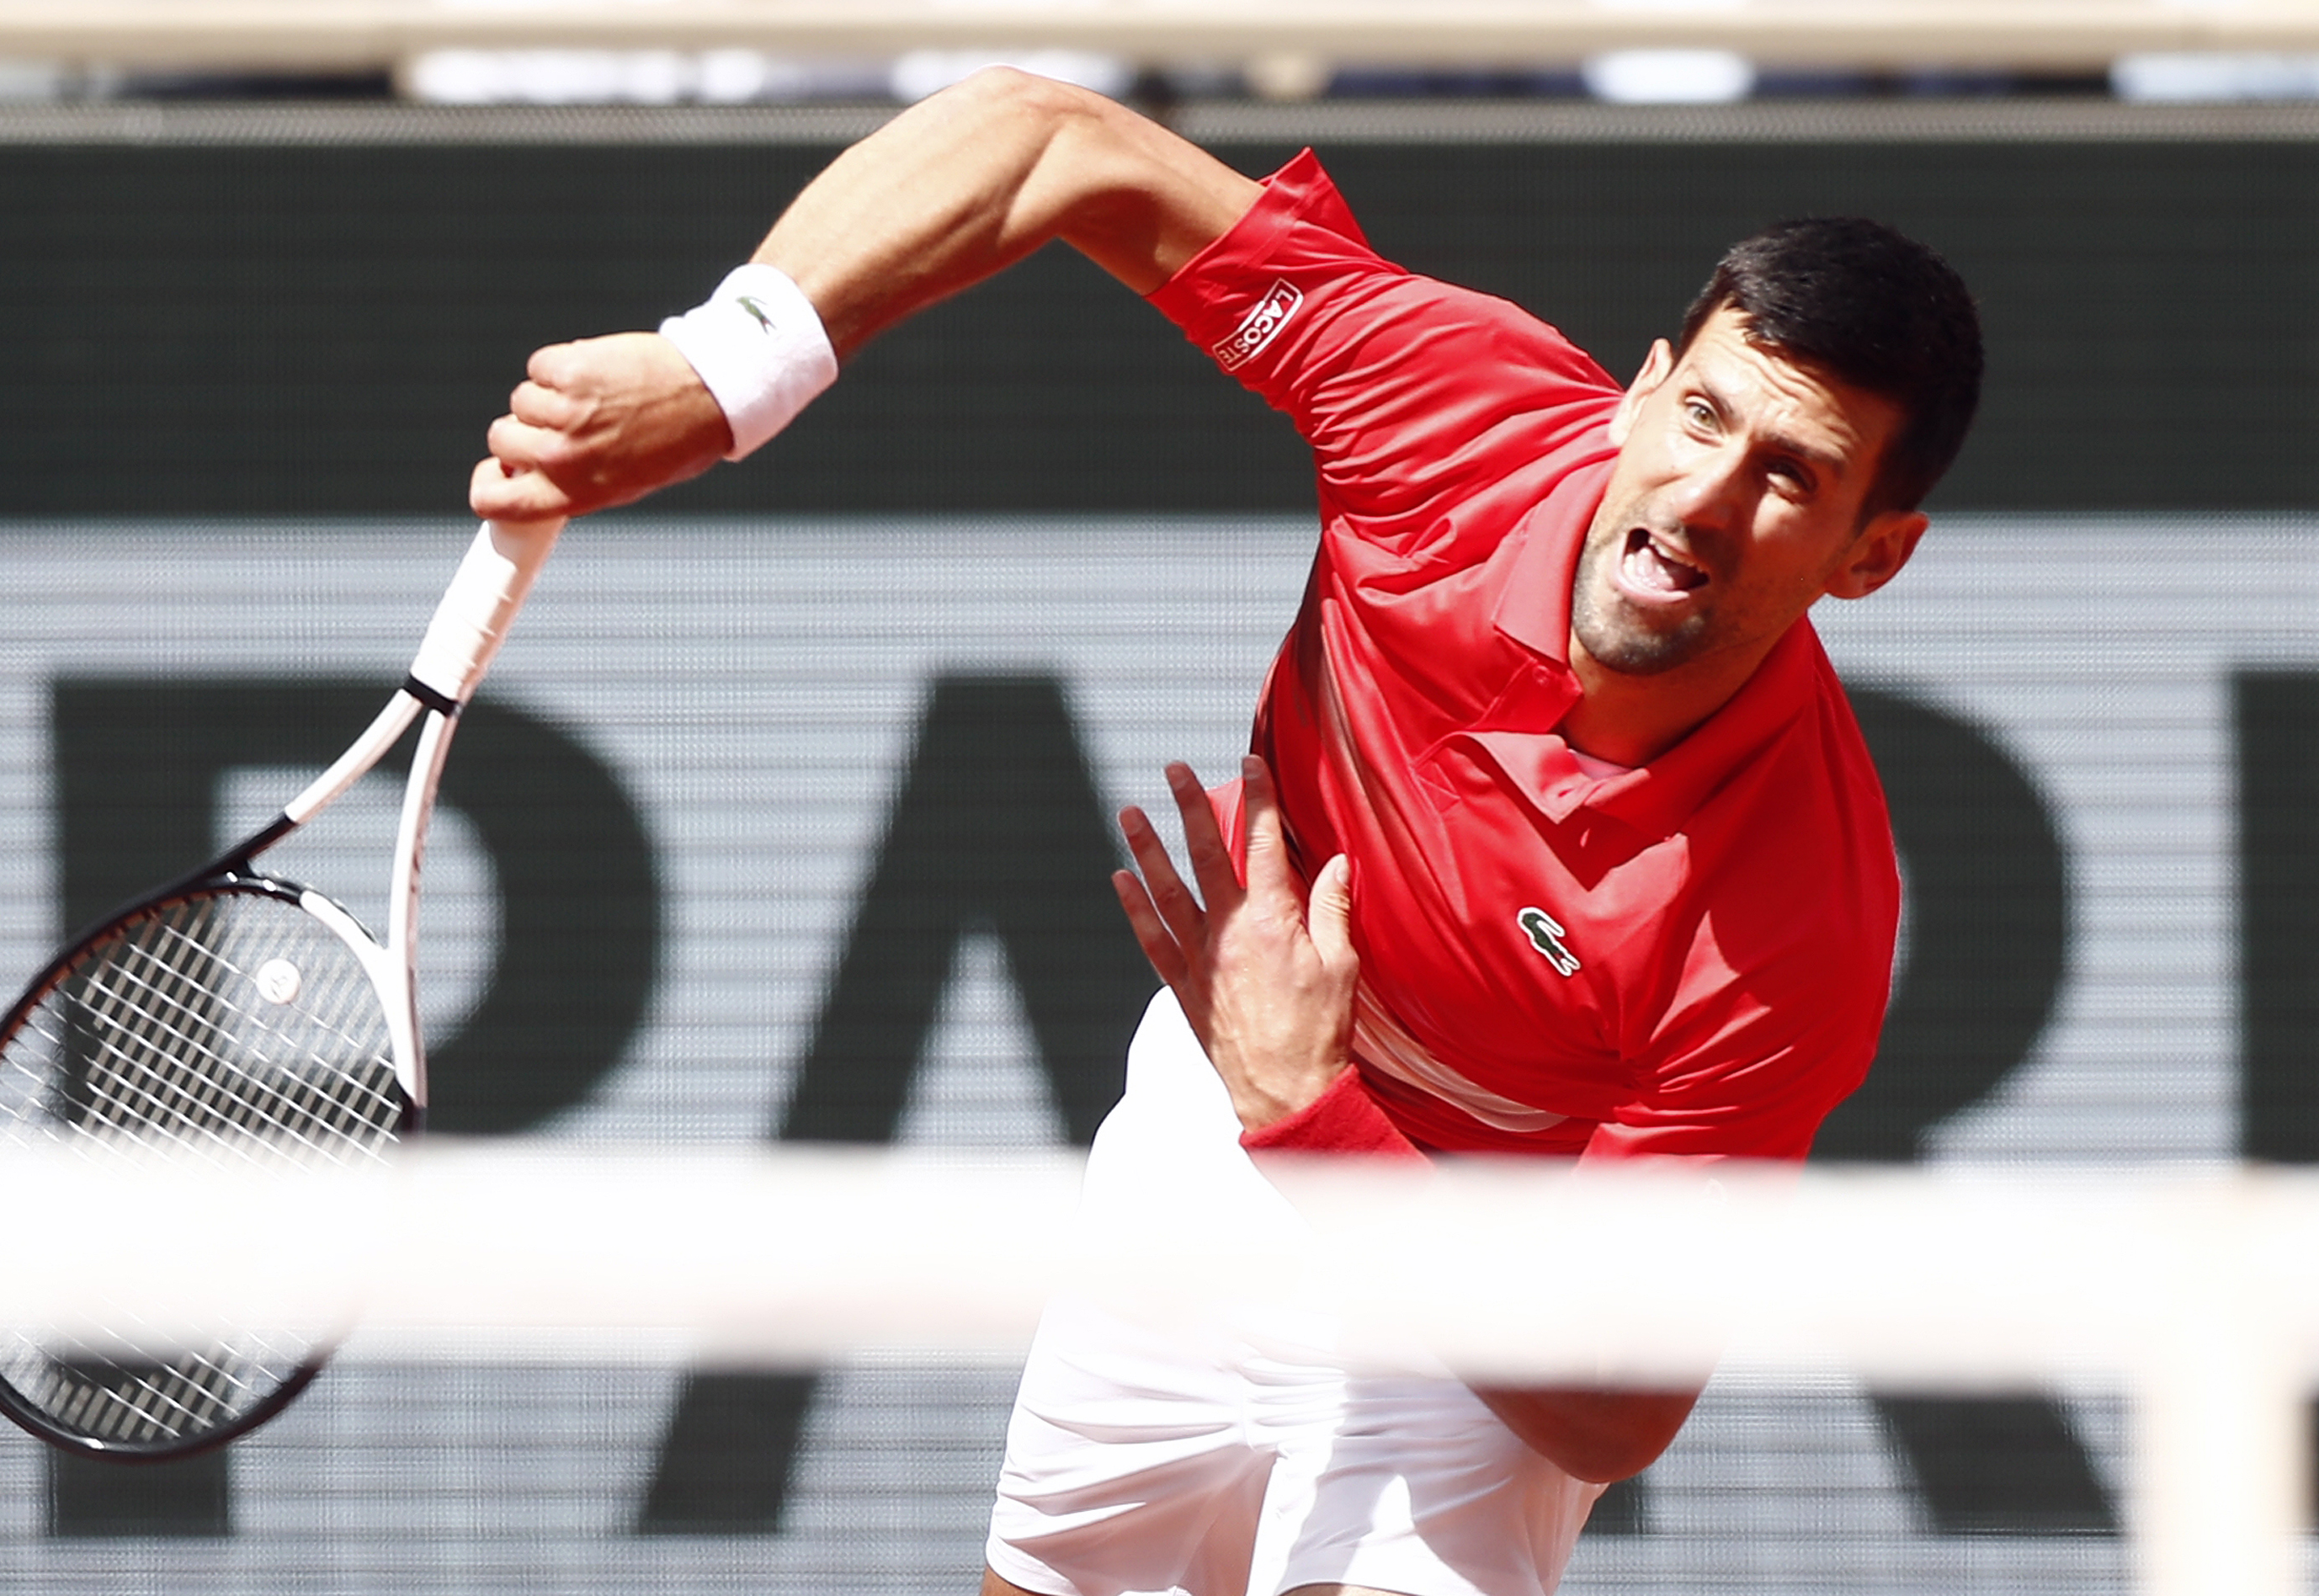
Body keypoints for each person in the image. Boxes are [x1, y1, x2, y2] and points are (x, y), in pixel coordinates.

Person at [471, 66, 1981, 1596]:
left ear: (1875, 557)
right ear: (1643, 387)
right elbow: (1049, 140)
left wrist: (1312, 1110)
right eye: (1705, 414)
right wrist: (726, 374)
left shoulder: (1799, 921)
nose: (1703, 498)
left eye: (1790, 474)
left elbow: (1612, 1404)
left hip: (1479, 1278)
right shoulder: (1457, 410)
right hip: (1217, 1138)